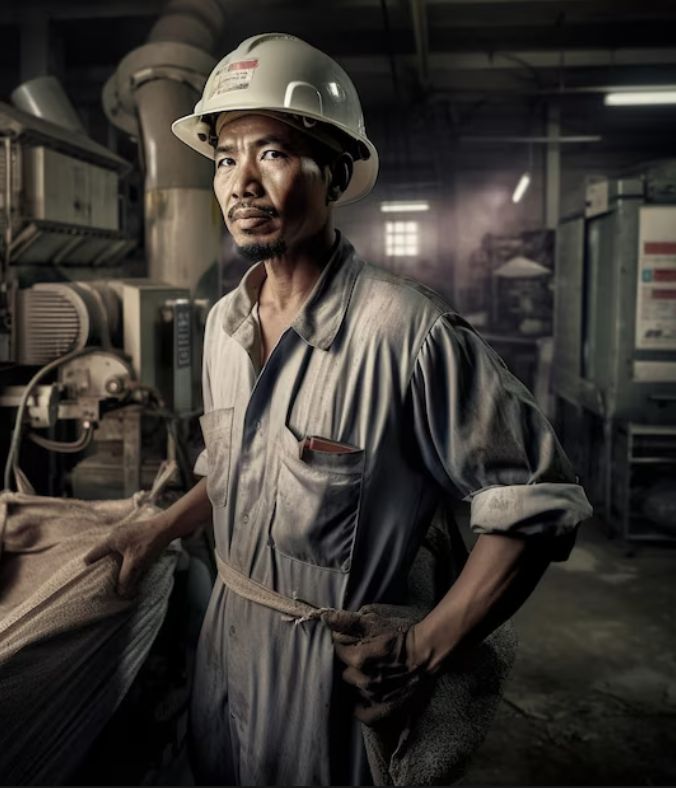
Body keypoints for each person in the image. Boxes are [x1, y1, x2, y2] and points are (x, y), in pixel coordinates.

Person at [86, 33, 592, 786]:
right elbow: (234, 470)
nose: (241, 184)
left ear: (336, 172)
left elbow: (537, 505)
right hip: (225, 650)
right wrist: (159, 529)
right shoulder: (225, 327)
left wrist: (421, 650)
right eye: (226, 157)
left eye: (275, 153)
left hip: (330, 679)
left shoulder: (406, 334)